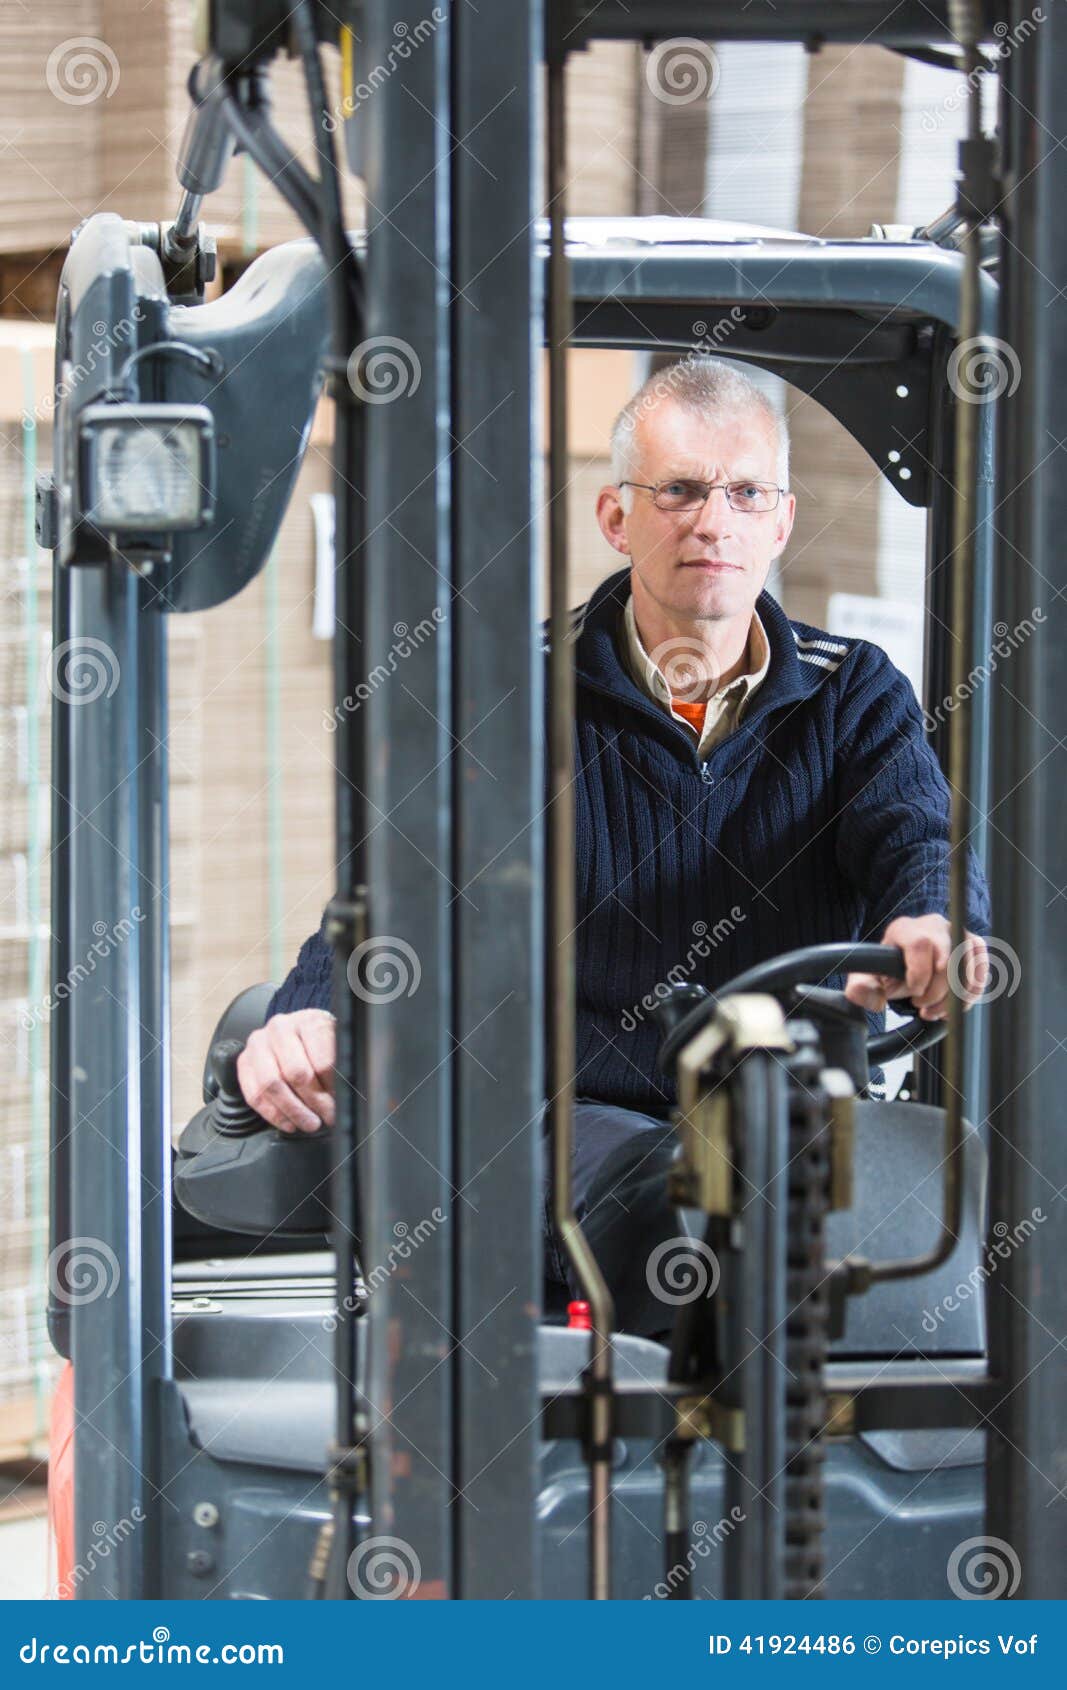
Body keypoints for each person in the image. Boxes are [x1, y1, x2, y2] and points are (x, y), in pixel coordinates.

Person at [237, 357, 991, 1337]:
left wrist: (934, 918)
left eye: (745, 493)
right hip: (577, 1114)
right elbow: (401, 892)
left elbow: (918, 837)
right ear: (614, 517)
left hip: (794, 1110)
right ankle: (662, 1430)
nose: (712, 522)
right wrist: (308, 1013)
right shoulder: (516, 694)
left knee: (943, 1227)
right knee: (676, 1205)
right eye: (677, 490)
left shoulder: (853, 693)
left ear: (780, 522)